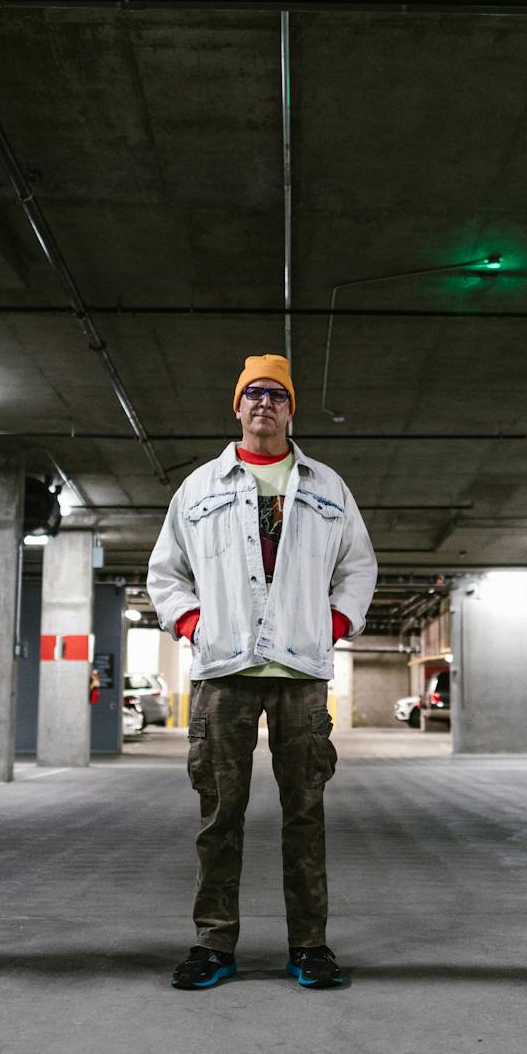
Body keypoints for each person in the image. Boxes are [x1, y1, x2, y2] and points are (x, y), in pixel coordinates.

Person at [148, 354, 376, 990]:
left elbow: (359, 566)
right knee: (220, 812)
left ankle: (309, 945)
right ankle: (213, 944)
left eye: (277, 395)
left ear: (291, 408)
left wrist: (334, 624)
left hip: (301, 672)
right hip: (224, 670)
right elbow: (166, 571)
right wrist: (192, 626)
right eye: (254, 395)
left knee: (305, 811)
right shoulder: (199, 488)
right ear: (237, 406)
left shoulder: (328, 487)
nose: (264, 405)